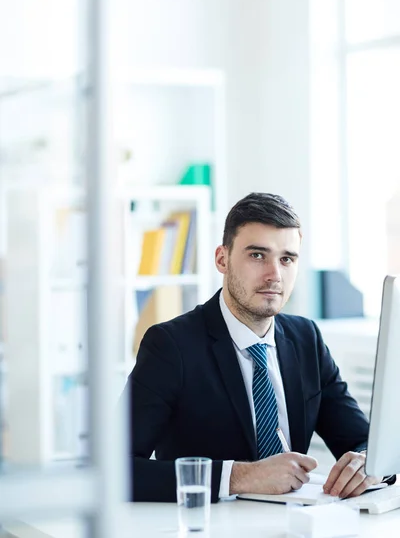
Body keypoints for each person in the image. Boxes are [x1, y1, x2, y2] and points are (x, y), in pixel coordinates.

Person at [125, 192, 390, 503]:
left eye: (286, 258)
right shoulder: (171, 346)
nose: (274, 275)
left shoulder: (307, 339)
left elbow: (361, 440)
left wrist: (366, 464)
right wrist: (240, 477)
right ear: (222, 259)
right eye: (257, 255)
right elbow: (114, 471)